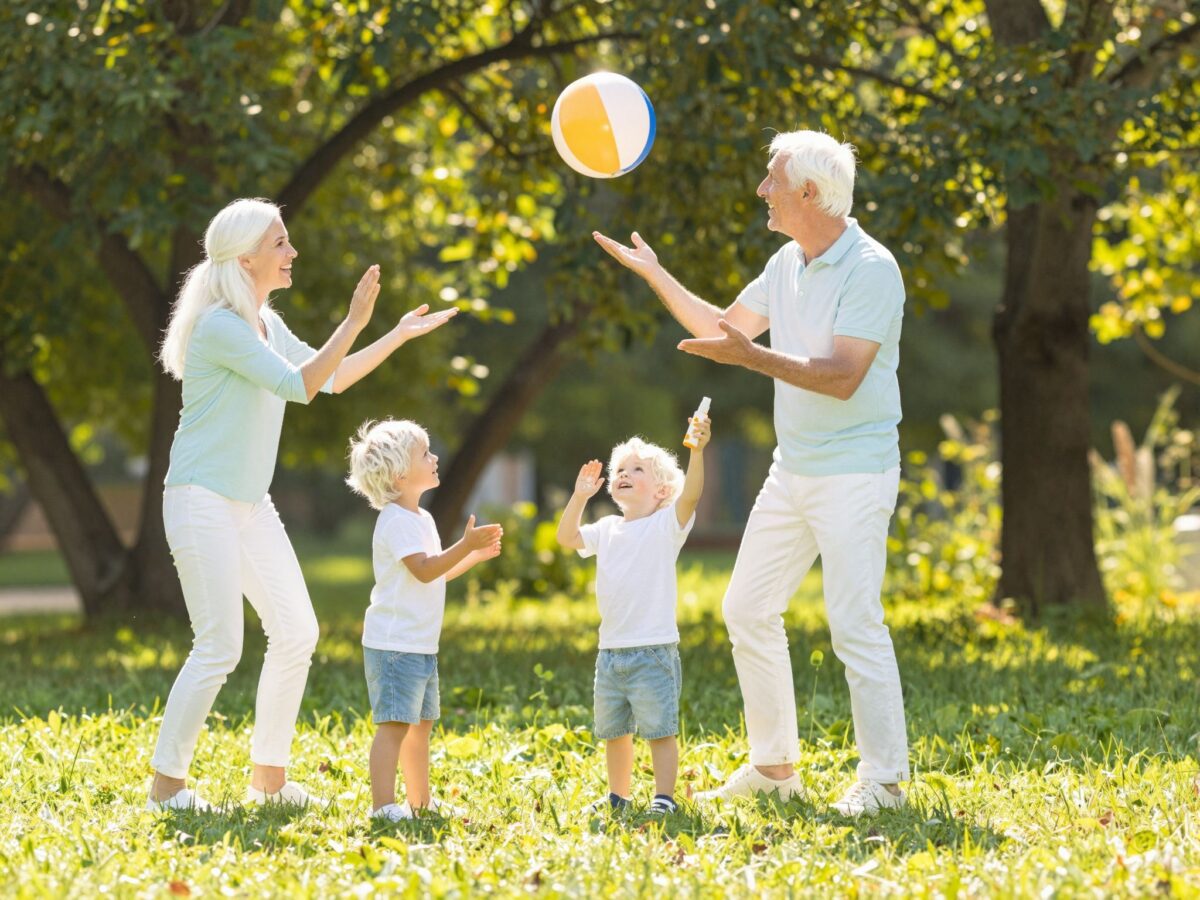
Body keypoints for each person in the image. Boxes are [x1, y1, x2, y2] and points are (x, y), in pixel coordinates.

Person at [594, 130, 909, 816]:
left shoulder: (872, 268)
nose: (762, 190)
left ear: (809, 192)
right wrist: (655, 273)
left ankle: (883, 781)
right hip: (793, 469)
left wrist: (752, 358)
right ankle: (774, 767)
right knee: (746, 607)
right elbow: (724, 330)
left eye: (772, 180)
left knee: (854, 621)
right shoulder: (785, 263)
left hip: (855, 471)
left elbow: (845, 376)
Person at [148, 198, 457, 811]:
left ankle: (269, 781)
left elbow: (332, 377)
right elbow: (300, 386)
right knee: (219, 646)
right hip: (200, 499)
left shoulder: (263, 322)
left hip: (248, 503)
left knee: (296, 631)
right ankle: (167, 789)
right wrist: (353, 319)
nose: (292, 253)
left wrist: (391, 332)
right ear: (246, 257)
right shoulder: (222, 325)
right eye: (281, 243)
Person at [345, 418, 502, 822]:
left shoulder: (422, 520)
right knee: (395, 725)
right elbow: (425, 570)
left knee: (422, 726)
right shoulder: (395, 520)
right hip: (395, 645)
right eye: (425, 454)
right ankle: (383, 807)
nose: (435, 459)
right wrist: (464, 543)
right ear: (399, 473)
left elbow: (438, 572)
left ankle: (419, 801)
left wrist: (471, 556)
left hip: (419, 644)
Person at [555, 421, 710, 817]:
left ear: (661, 491)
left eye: (636, 469)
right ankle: (618, 796)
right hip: (610, 653)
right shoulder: (606, 528)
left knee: (660, 730)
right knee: (615, 732)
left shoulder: (665, 525)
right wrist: (578, 496)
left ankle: (664, 797)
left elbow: (691, 496)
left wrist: (696, 451)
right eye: (621, 469)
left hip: (653, 650)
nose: (624, 474)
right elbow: (567, 538)